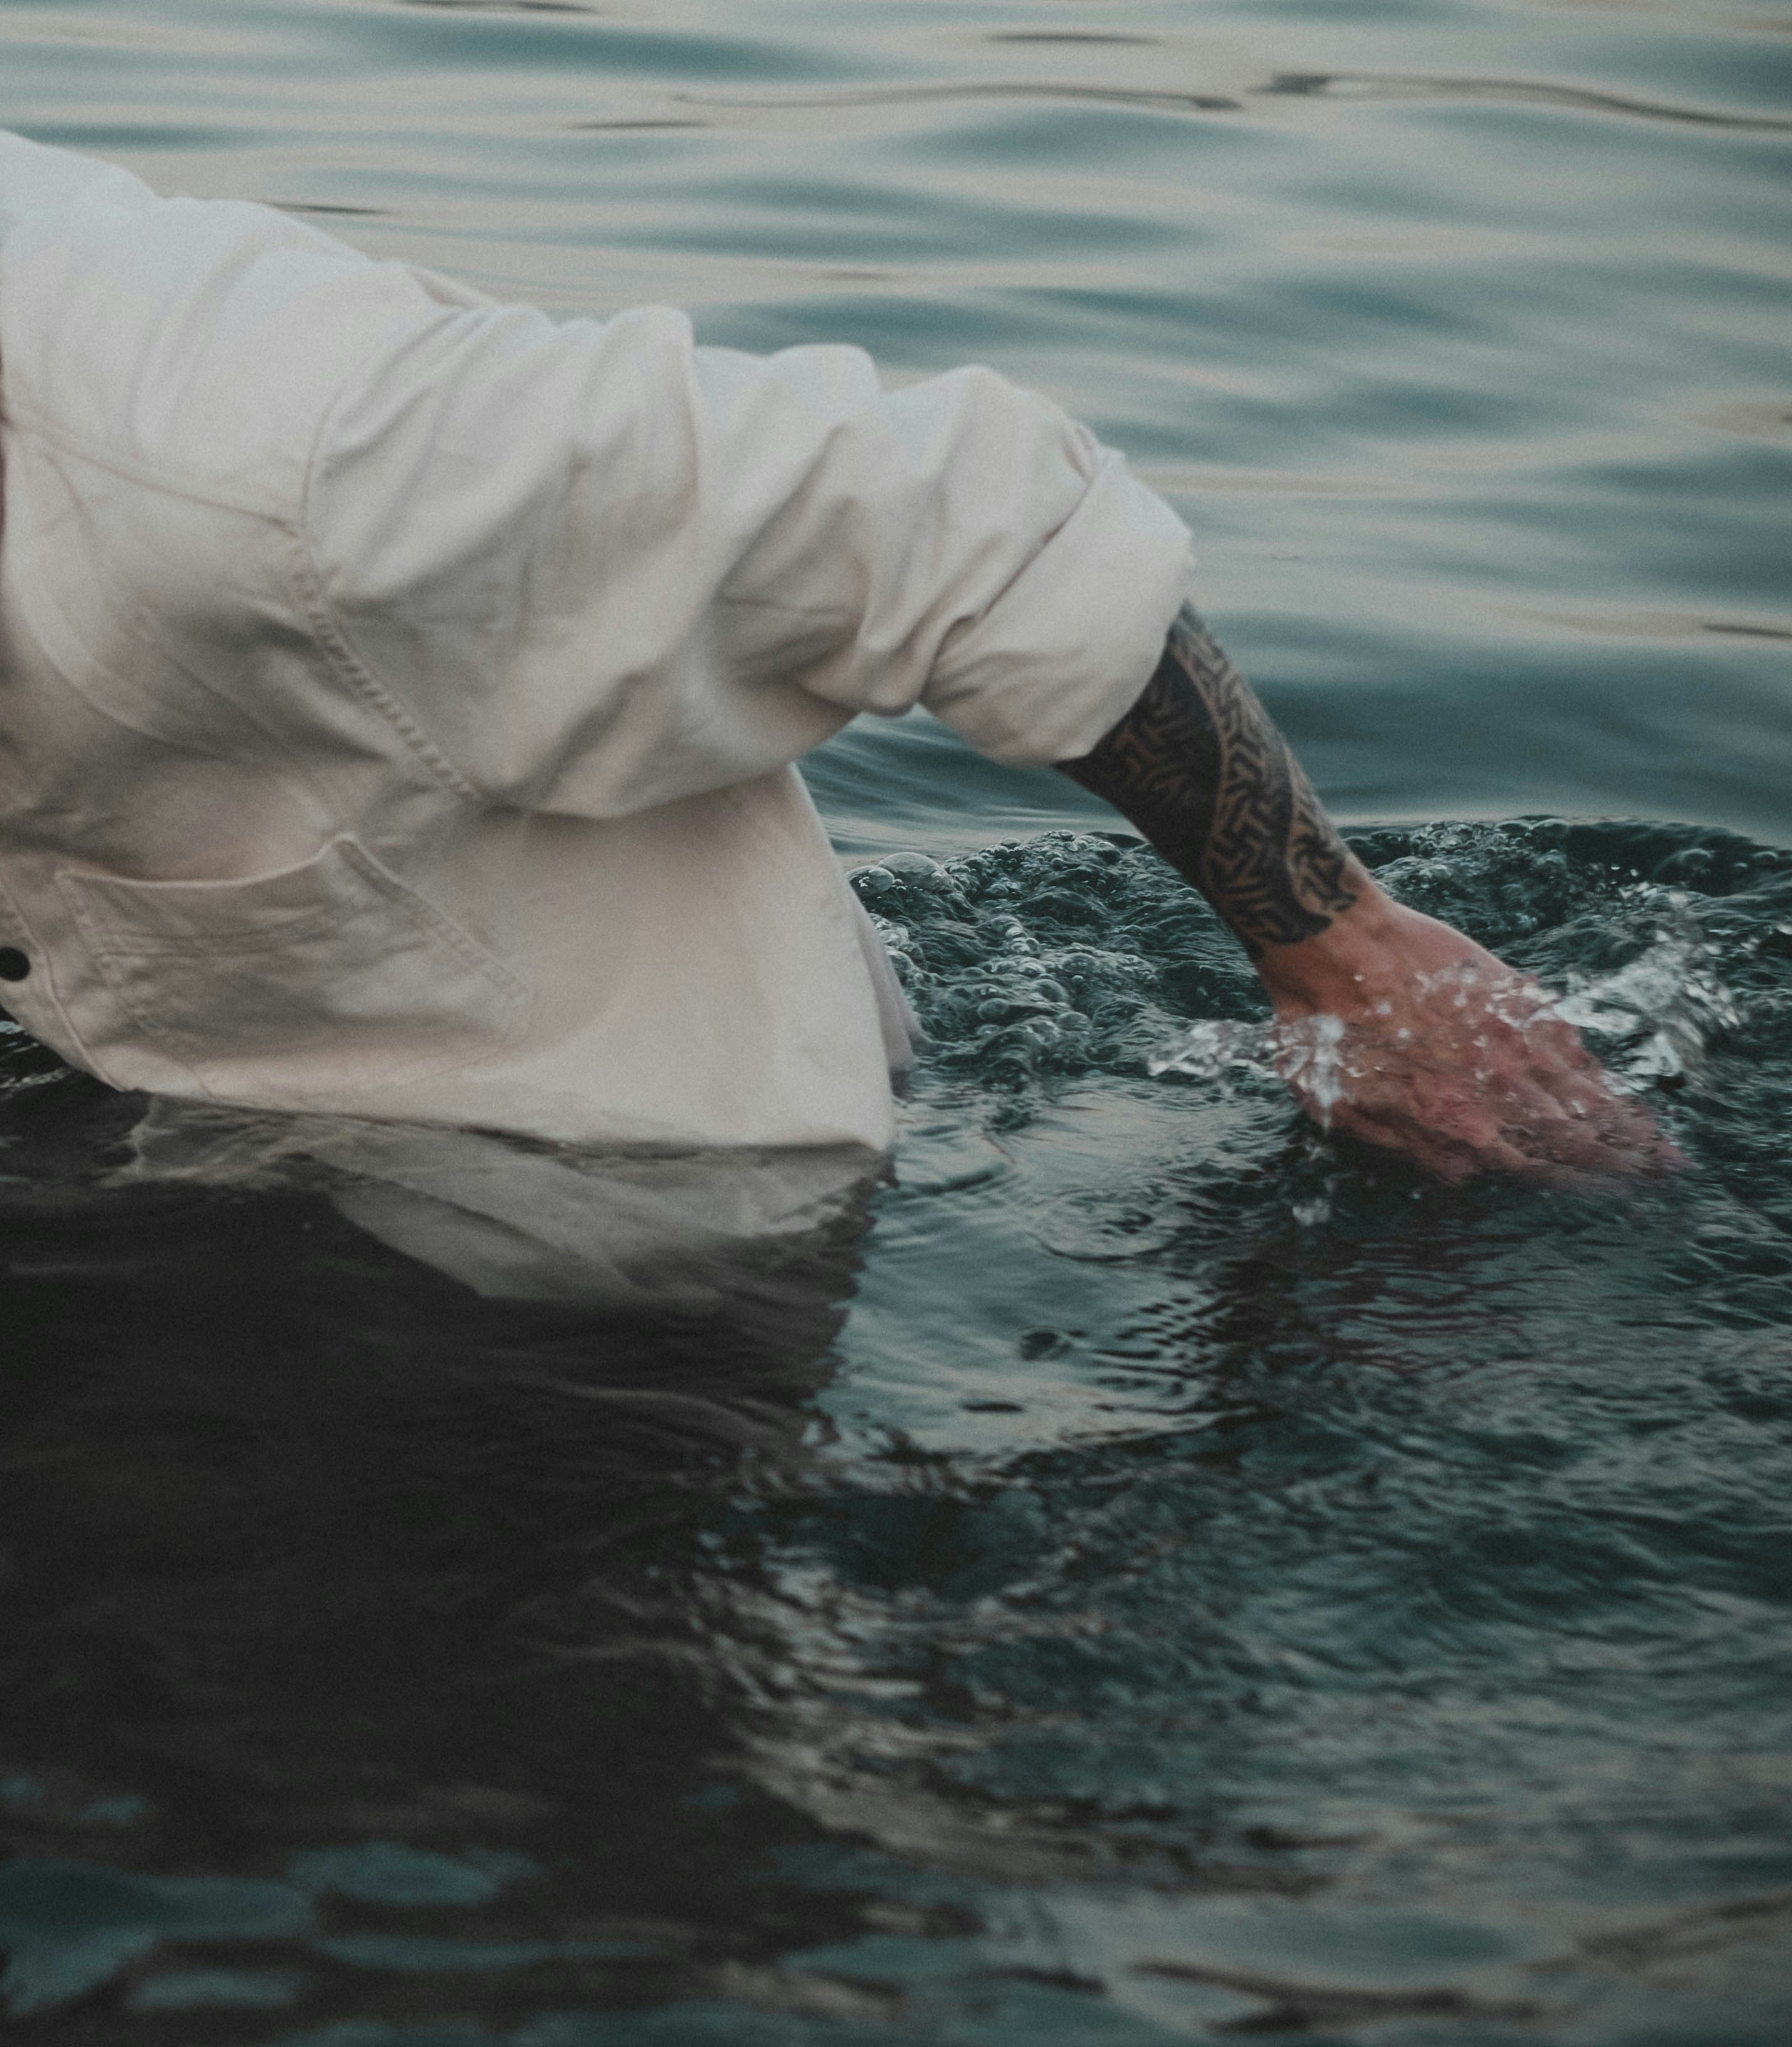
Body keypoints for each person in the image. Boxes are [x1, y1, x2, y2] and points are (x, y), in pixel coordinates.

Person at [0, 126, 1668, 1201]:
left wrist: (1354, 969)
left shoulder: (289, 465)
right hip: (147, 1096)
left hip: (602, 1229)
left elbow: (968, 524)